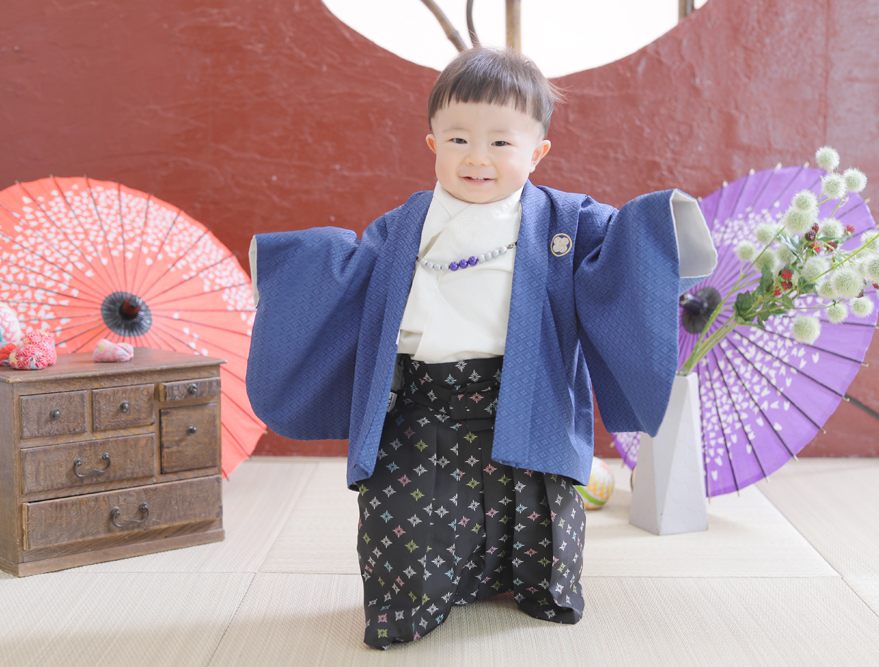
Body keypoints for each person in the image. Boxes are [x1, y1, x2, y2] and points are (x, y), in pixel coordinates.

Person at [246, 47, 716, 649]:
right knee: (405, 523)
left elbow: (621, 253)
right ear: (432, 144)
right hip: (422, 404)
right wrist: (287, 268)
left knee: (539, 518)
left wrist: (663, 225)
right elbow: (349, 273)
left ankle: (534, 588)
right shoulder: (405, 225)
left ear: (537, 150)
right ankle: (413, 603)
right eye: (458, 139)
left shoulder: (565, 222)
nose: (477, 157)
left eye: (500, 142)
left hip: (527, 396)